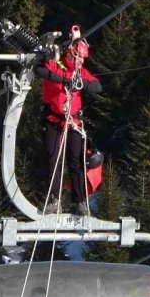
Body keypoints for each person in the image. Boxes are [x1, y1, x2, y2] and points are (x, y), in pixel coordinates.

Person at [34, 26, 102, 215]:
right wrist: (65, 79)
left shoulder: (81, 72)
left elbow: (98, 86)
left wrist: (82, 83)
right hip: (54, 120)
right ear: (70, 54)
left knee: (77, 160)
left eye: (82, 58)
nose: (80, 61)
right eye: (78, 57)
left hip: (73, 122)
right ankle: (53, 200)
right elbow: (41, 71)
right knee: (53, 158)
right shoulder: (57, 64)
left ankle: (79, 201)